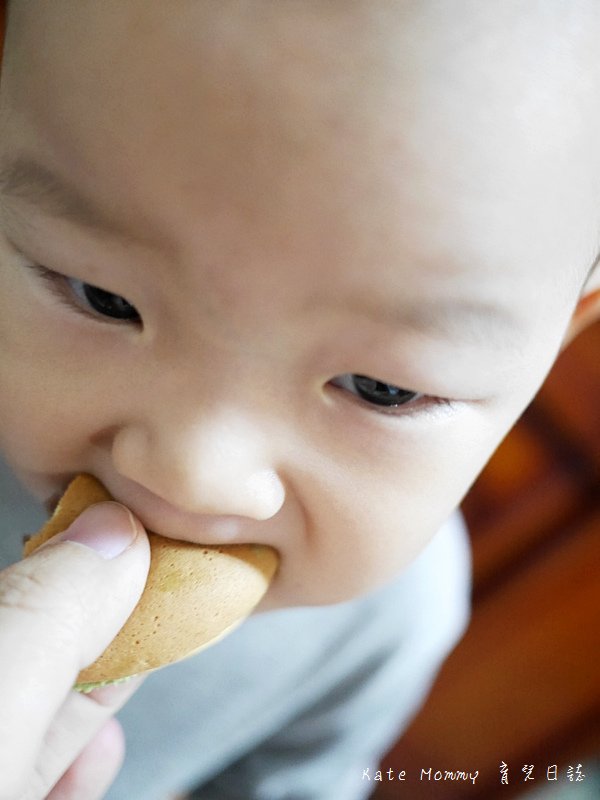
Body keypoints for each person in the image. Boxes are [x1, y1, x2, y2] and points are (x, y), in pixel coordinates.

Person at [0, 2, 599, 798]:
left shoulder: (389, 624)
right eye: (105, 298)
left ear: (557, 340)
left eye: (380, 388)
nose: (192, 472)